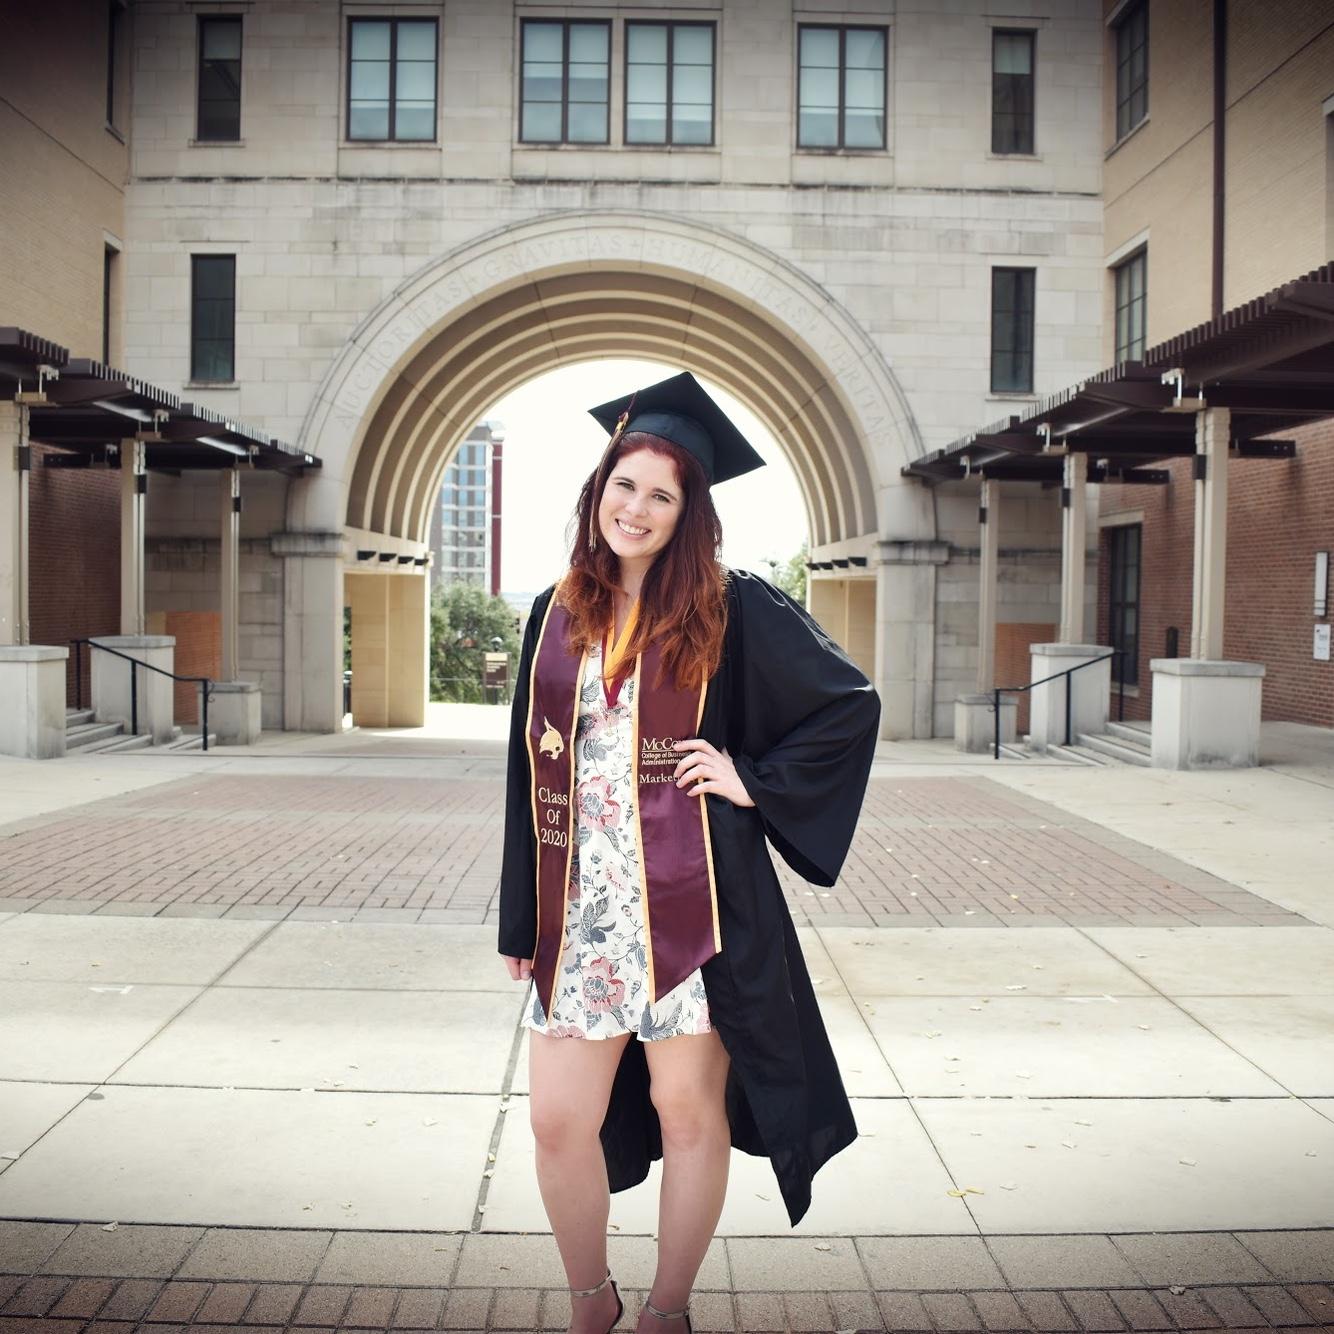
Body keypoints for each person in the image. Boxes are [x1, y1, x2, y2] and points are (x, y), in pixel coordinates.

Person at [498, 370, 880, 1334]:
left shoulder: (730, 606)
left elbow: (847, 705)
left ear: (687, 514)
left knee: (687, 1109)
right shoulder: (553, 612)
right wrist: (520, 920)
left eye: (662, 495)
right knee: (555, 1120)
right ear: (599, 491)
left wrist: (752, 777)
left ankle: (667, 1308)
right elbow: (528, 777)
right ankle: (593, 1302)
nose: (637, 508)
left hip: (695, 909)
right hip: (583, 915)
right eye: (625, 486)